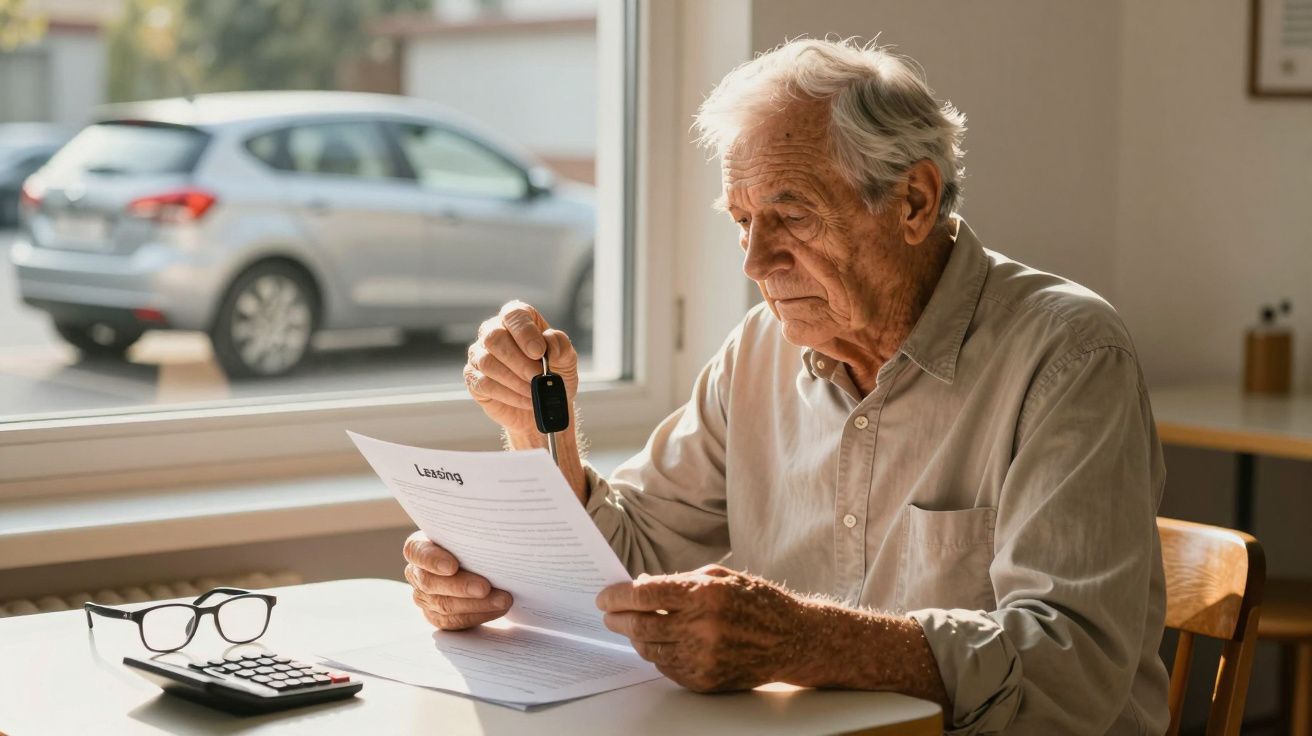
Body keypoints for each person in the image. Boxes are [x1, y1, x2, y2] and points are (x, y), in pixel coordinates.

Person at [402, 38, 1169, 735]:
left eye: (791, 215)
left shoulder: (1068, 355)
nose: (754, 260)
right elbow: (633, 557)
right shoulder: (758, 351)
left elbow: (1071, 667)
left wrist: (806, 641)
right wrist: (538, 442)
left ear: (913, 202)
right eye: (742, 220)